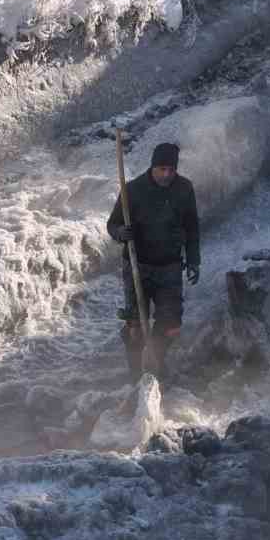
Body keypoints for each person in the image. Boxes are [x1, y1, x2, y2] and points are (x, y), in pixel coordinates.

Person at [106, 141, 201, 382]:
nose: (167, 175)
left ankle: (155, 364)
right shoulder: (133, 190)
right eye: (162, 169)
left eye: (171, 170)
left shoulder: (184, 188)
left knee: (170, 326)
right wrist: (120, 234)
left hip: (169, 266)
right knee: (136, 328)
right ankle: (135, 375)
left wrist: (193, 260)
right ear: (153, 167)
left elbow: (192, 227)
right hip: (138, 266)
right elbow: (113, 223)